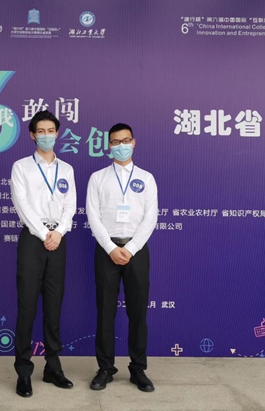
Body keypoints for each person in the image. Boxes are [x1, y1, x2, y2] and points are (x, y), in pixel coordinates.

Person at [86, 123, 158, 392]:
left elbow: (151, 217)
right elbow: (93, 216)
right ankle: (105, 368)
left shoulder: (147, 178)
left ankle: (138, 369)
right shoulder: (98, 178)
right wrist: (110, 248)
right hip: (107, 250)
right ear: (109, 146)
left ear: (134, 142)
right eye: (116, 142)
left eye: (126, 141)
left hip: (136, 251)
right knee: (105, 311)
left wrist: (131, 248)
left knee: (137, 312)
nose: (121, 146)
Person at [10, 110, 76, 397]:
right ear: (32, 135)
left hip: (58, 240)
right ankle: (24, 371)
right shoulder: (21, 167)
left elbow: (70, 205)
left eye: (51, 131)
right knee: (27, 305)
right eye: (41, 131)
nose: (46, 135)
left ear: (57, 133)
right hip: (33, 239)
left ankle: (53, 367)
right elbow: (21, 203)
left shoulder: (67, 169)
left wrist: (58, 232)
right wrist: (43, 233)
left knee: (53, 304)